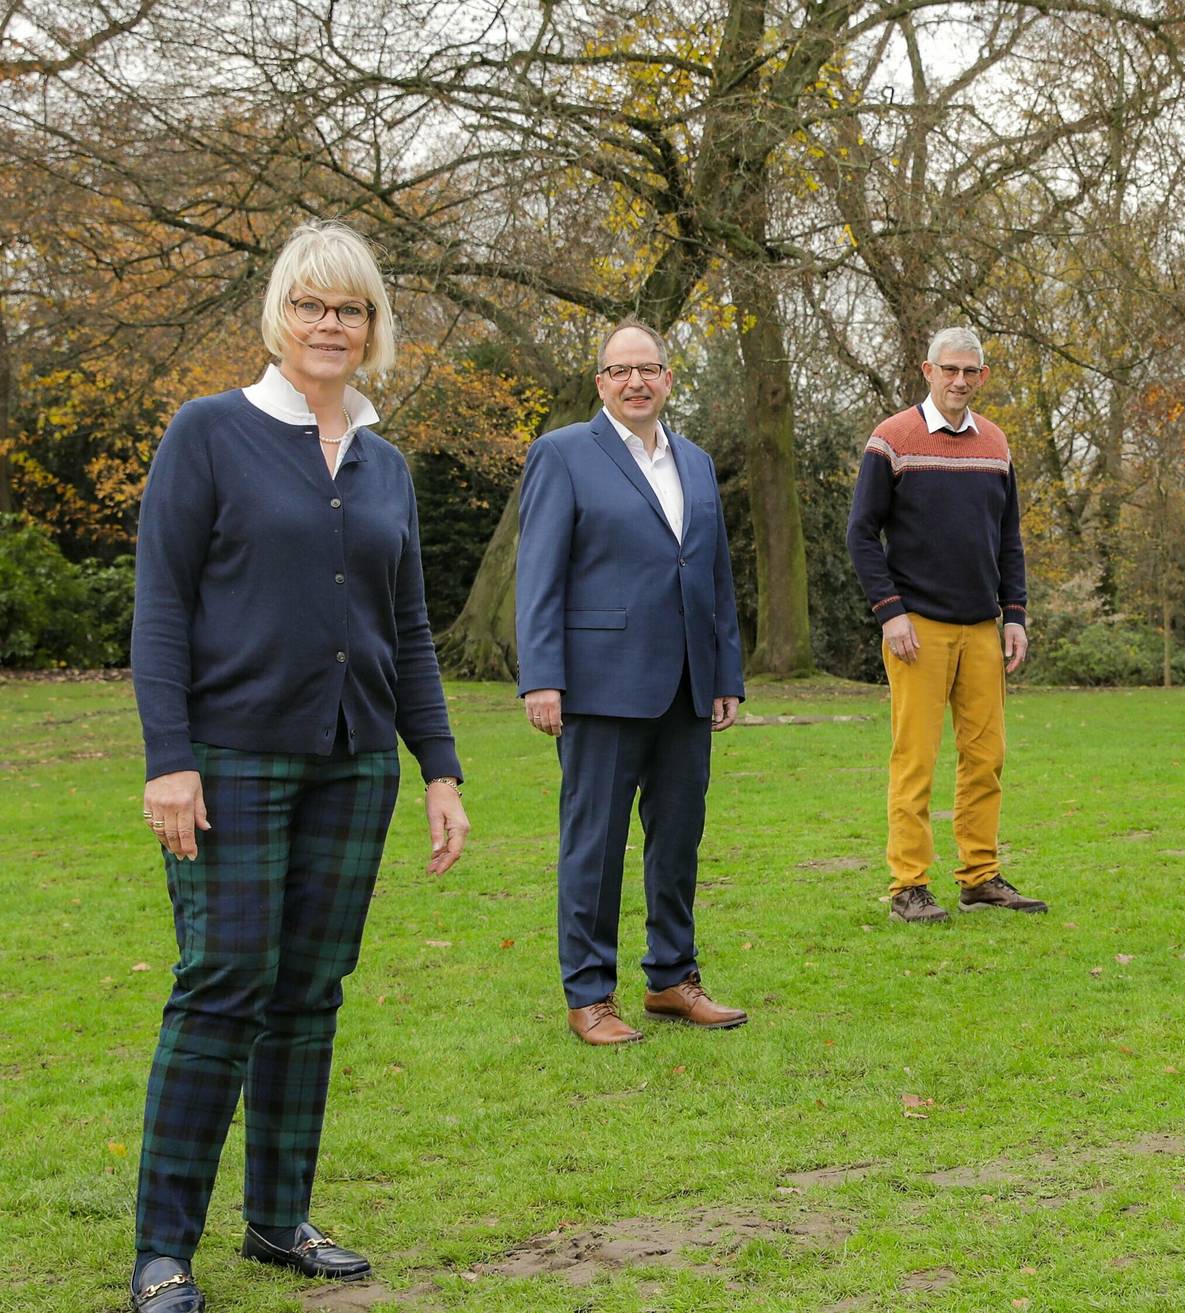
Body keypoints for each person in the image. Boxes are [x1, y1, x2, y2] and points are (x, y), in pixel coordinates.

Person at [127, 220, 470, 1312]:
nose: (331, 324)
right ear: (278, 316)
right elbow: (162, 605)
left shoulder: (385, 464)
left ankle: (278, 1216)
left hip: (354, 762)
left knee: (310, 993)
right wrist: (169, 760)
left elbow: (407, 629)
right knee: (223, 984)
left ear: (373, 326)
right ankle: (163, 1248)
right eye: (312, 305)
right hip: (229, 759)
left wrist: (441, 769)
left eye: (350, 308)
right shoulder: (209, 433)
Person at [514, 321, 747, 1045]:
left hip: (686, 685)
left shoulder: (696, 462)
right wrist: (541, 677)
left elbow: (714, 575)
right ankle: (589, 994)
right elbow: (539, 573)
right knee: (595, 844)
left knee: (677, 839)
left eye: (648, 369)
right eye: (620, 371)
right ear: (601, 383)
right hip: (598, 684)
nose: (635, 382)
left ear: (668, 379)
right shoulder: (562, 454)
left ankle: (672, 979)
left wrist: (725, 672)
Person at [847, 327, 1045, 924]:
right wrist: (890, 613)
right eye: (949, 369)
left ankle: (980, 877)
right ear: (927, 370)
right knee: (916, 761)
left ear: (982, 376)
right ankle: (908, 886)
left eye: (970, 371)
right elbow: (861, 534)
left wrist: (1015, 614)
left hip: (982, 628)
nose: (959, 381)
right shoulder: (892, 439)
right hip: (917, 630)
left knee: (986, 759)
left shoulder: (996, 444)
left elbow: (1008, 538)